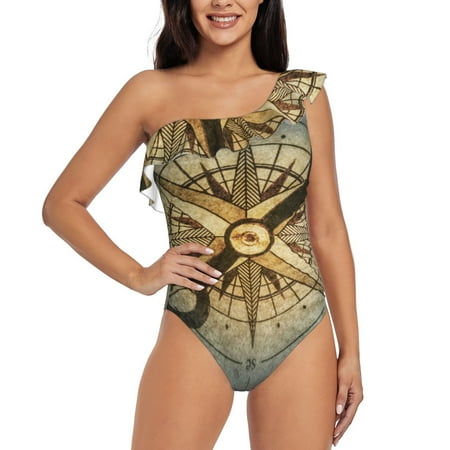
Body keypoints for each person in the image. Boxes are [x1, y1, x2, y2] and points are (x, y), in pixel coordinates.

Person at [42, 0, 363, 448]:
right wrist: (139, 275)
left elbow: (327, 228)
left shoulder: (301, 96)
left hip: (303, 331)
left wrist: (351, 351)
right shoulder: (149, 92)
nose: (222, 2)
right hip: (194, 331)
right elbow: (62, 204)